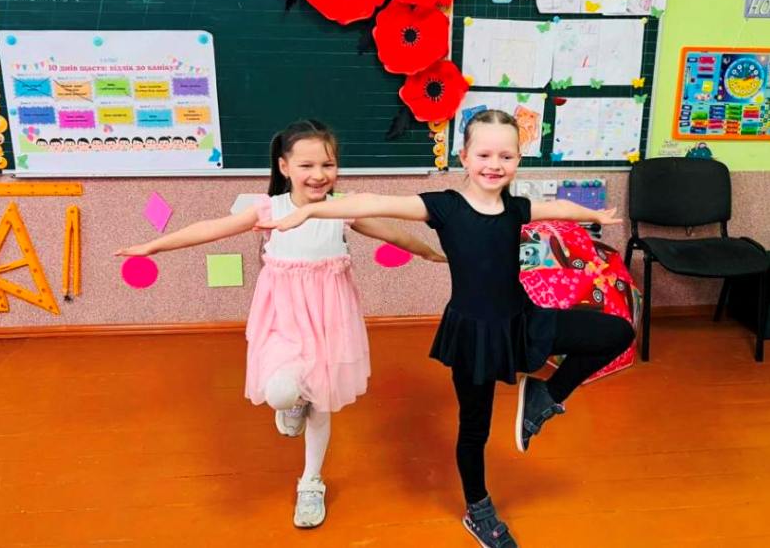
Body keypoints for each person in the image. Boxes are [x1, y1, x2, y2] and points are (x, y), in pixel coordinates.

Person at [257, 110, 634, 547]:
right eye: (484, 154)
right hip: (473, 336)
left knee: (617, 333)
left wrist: (594, 214)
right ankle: (478, 509)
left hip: (523, 321)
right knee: (475, 428)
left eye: (506, 156)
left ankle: (544, 397)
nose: (495, 164)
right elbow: (371, 203)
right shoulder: (444, 206)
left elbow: (560, 208)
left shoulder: (517, 208)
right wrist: (310, 212)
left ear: (518, 159)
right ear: (464, 156)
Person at [116, 119, 444, 529]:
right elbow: (210, 230)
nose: (319, 175)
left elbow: (394, 235)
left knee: (323, 399)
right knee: (281, 392)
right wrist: (153, 246)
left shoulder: (341, 211)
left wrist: (432, 254)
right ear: (284, 166)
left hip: (329, 317)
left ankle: (311, 481)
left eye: (328, 164)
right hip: (282, 317)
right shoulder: (270, 209)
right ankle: (294, 401)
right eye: (307, 165)